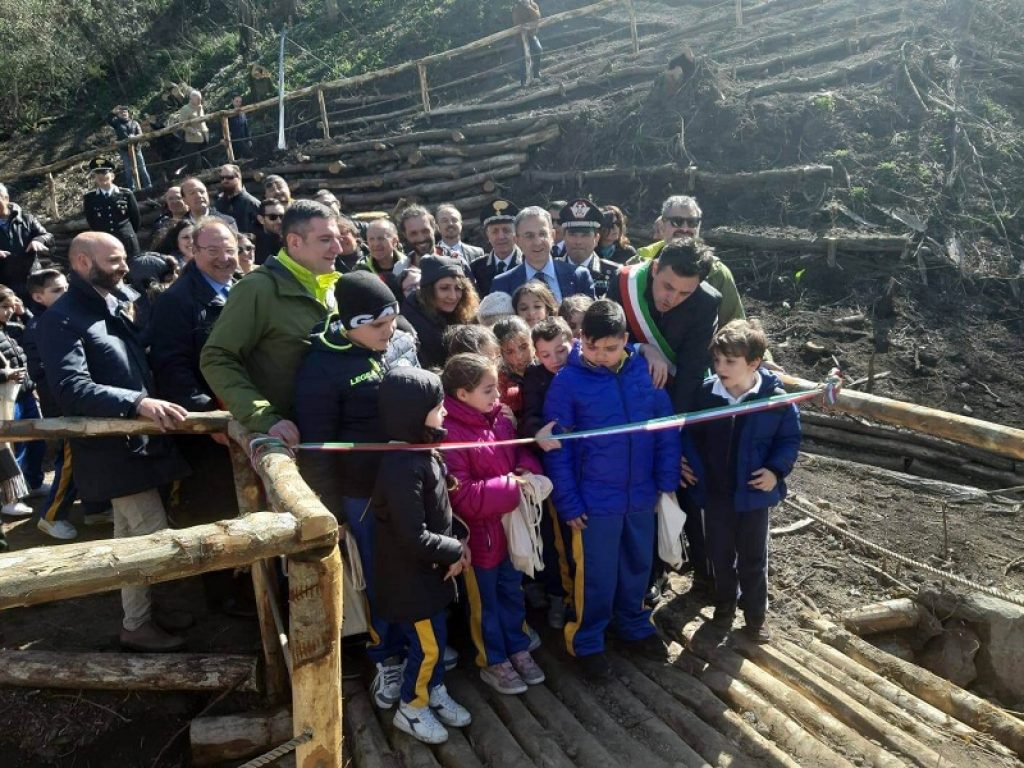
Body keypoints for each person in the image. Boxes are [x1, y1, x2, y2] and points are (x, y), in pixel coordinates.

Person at [40, 231, 191, 651]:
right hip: (112, 449)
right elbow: (70, 387)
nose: (125, 266)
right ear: (83, 263)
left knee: (132, 537)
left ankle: (144, 611)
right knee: (150, 538)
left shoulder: (109, 304)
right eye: (115, 260)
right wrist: (136, 402)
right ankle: (137, 626)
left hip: (135, 444)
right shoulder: (62, 319)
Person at [295, 272, 420, 706]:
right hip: (363, 492)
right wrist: (332, 510)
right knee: (378, 577)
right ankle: (387, 655)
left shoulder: (400, 342)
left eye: (393, 320)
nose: (390, 331)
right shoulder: (321, 366)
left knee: (415, 565)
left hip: (411, 482)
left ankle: (422, 646)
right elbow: (316, 446)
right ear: (351, 324)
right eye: (379, 325)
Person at [542, 299, 680, 677]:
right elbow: (557, 449)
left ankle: (633, 624)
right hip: (594, 500)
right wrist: (568, 502)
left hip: (641, 493)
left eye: (611, 348)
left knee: (637, 564)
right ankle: (587, 639)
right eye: (592, 347)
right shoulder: (567, 382)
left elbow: (666, 430)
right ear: (580, 338)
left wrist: (666, 481)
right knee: (596, 575)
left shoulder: (645, 373)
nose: (601, 355)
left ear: (625, 339)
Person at [148, 219, 250, 615]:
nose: (224, 258)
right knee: (215, 504)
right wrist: (208, 417)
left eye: (230, 250)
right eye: (213, 251)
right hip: (209, 427)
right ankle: (223, 591)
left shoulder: (240, 288)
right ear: (193, 251)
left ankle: (251, 576)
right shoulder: (177, 301)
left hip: (242, 412)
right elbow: (171, 365)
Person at [680, 320, 801, 643]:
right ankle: (724, 608)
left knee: (753, 559)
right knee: (719, 554)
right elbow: (690, 433)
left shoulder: (774, 399)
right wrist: (688, 462)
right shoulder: (706, 394)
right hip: (715, 492)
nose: (720, 367)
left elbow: (788, 440)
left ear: (754, 363)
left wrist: (775, 470)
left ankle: (755, 616)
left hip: (753, 494)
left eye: (730, 361)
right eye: (717, 360)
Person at [372, 367, 472, 744]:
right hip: (412, 579)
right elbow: (412, 535)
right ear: (413, 413)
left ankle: (433, 690)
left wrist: (453, 545)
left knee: (435, 641)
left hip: (430, 573)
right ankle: (412, 707)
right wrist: (455, 551)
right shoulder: (402, 467)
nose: (444, 411)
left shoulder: (422, 451)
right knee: (428, 647)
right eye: (438, 406)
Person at [441, 353, 545, 693]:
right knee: (485, 603)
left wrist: (527, 467)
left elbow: (518, 451)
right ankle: (493, 659)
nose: (497, 396)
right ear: (462, 394)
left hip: (509, 531)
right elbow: (462, 496)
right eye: (488, 390)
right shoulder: (450, 434)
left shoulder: (500, 420)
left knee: (512, 592)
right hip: (479, 538)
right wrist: (512, 487)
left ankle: (517, 647)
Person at [201, 200, 342, 444]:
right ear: (295, 242)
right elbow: (217, 358)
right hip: (291, 441)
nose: (338, 247)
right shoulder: (256, 289)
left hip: (334, 432)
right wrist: (264, 418)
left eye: (337, 238)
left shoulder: (335, 284)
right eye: (325, 239)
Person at [520, 317, 575, 628]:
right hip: (552, 465)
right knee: (557, 539)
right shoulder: (534, 377)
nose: (554, 359)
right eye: (545, 354)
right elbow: (528, 416)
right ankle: (559, 595)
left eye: (560, 350)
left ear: (573, 342)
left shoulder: (583, 366)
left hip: (586, 465)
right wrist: (536, 432)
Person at [629, 195, 745, 327]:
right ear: (662, 225)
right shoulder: (638, 263)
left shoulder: (717, 273)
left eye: (692, 222)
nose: (685, 229)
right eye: (677, 222)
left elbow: (737, 327)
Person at [0, 286, 47, 509]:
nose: (9, 311)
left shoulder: (13, 329)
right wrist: (4, 374)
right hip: (5, 399)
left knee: (37, 441)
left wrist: (24, 312)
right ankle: (10, 498)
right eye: (4, 307)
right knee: (11, 448)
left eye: (11, 306)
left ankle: (33, 483)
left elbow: (39, 330)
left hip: (25, 394)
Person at [492, 206, 594, 302]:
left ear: (552, 236)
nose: (537, 242)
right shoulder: (502, 284)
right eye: (529, 236)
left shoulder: (579, 277)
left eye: (542, 234)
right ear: (517, 241)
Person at [401, 255, 479, 371]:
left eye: (458, 288)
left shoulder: (465, 314)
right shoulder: (411, 320)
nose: (453, 296)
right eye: (444, 288)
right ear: (428, 290)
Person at [0, 183, 54, 303]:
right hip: (4, 287)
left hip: (32, 280)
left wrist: (38, 240)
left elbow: (48, 236)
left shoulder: (26, 219)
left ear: (6, 198)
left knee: (39, 312)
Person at [558, 199, 621, 298]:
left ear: (596, 239)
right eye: (572, 234)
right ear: (564, 238)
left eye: (585, 235)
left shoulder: (615, 274)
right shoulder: (551, 270)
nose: (578, 241)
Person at [83, 157, 141, 259]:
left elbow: (136, 219)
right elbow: (92, 222)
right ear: (94, 178)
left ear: (112, 176)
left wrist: (128, 234)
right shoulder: (90, 199)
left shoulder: (126, 194)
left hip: (127, 242)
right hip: (105, 244)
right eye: (97, 174)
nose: (101, 176)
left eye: (104, 173)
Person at [470, 200, 521, 297]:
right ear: (487, 235)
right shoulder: (476, 268)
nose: (501, 236)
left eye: (506, 230)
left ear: (516, 233)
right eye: (495, 231)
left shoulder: (527, 263)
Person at [492, 315, 531, 421]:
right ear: (500, 353)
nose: (519, 356)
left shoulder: (546, 366)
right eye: (510, 352)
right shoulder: (498, 384)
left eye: (523, 347)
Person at [358, 218, 411, 297]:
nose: (376, 244)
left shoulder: (409, 265)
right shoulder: (360, 270)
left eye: (381, 238)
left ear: (394, 241)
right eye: (371, 239)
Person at [108, 106, 152, 192]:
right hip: (124, 150)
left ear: (128, 113)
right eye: (121, 113)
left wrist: (134, 137)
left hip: (136, 149)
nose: (124, 114)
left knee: (142, 168)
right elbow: (109, 119)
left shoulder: (135, 123)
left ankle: (148, 186)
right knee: (128, 171)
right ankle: (132, 189)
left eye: (125, 112)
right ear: (118, 115)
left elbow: (140, 134)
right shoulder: (116, 123)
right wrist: (113, 112)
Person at [168, 89, 210, 171]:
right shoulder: (185, 109)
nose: (199, 100)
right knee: (192, 159)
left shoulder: (200, 108)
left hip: (203, 136)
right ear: (192, 98)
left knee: (206, 155)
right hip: (192, 138)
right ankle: (193, 173)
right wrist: (191, 130)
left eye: (200, 98)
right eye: (198, 98)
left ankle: (208, 170)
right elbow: (182, 124)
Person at [214, 164, 259, 233]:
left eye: (229, 177)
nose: (225, 180)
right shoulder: (218, 204)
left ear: (239, 177)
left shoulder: (252, 203)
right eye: (222, 178)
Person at [512, 0, 543, 87]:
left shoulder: (533, 5)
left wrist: (529, 7)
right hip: (519, 38)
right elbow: (517, 22)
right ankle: (523, 80)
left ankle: (536, 74)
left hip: (531, 35)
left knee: (538, 50)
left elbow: (537, 17)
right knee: (521, 58)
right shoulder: (516, 8)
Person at [254, 198, 285, 265]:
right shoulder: (253, 245)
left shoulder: (291, 242)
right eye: (272, 217)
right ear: (261, 219)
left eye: (282, 216)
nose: (279, 221)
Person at [226, 94, 252, 159]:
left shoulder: (242, 112)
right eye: (236, 101)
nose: (238, 103)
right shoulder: (227, 113)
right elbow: (225, 127)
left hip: (243, 139)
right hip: (234, 141)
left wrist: (249, 139)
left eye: (240, 102)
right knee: (237, 157)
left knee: (248, 155)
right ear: (232, 101)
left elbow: (246, 126)